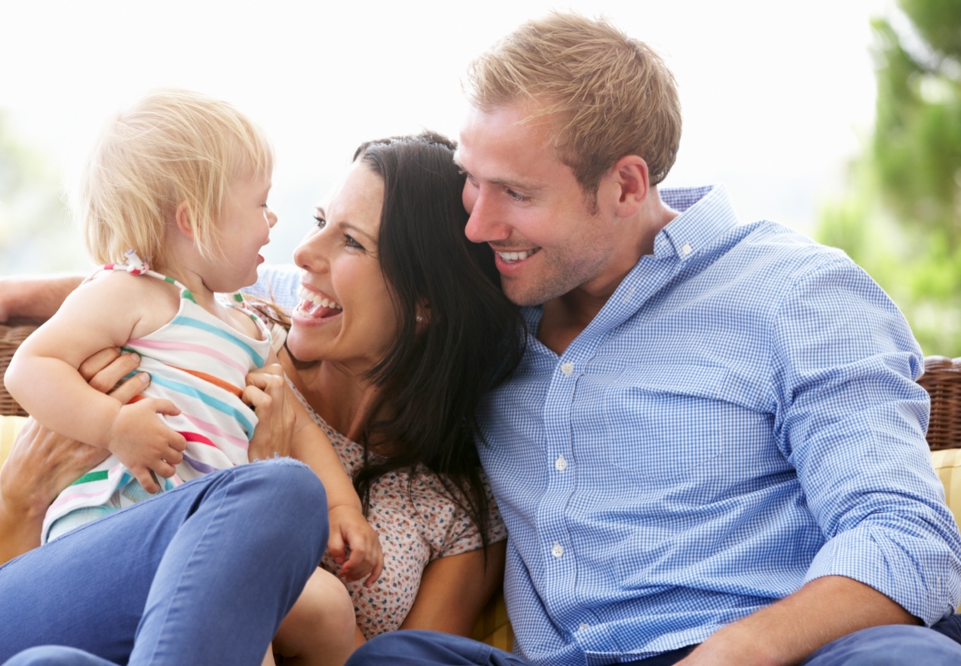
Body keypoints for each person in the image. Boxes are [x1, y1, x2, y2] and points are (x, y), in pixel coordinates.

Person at [342, 12, 961, 666]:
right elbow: (291, 291)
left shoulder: (796, 295)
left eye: (516, 193)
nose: (478, 224)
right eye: (472, 179)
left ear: (626, 185)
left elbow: (905, 538)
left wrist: (734, 652)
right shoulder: (479, 306)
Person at [0, 131, 523, 663]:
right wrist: (17, 504)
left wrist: (277, 507)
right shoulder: (216, 355)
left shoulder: (456, 509)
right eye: (319, 221)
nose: (302, 251)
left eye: (351, 240)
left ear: (427, 302)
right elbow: (148, 283)